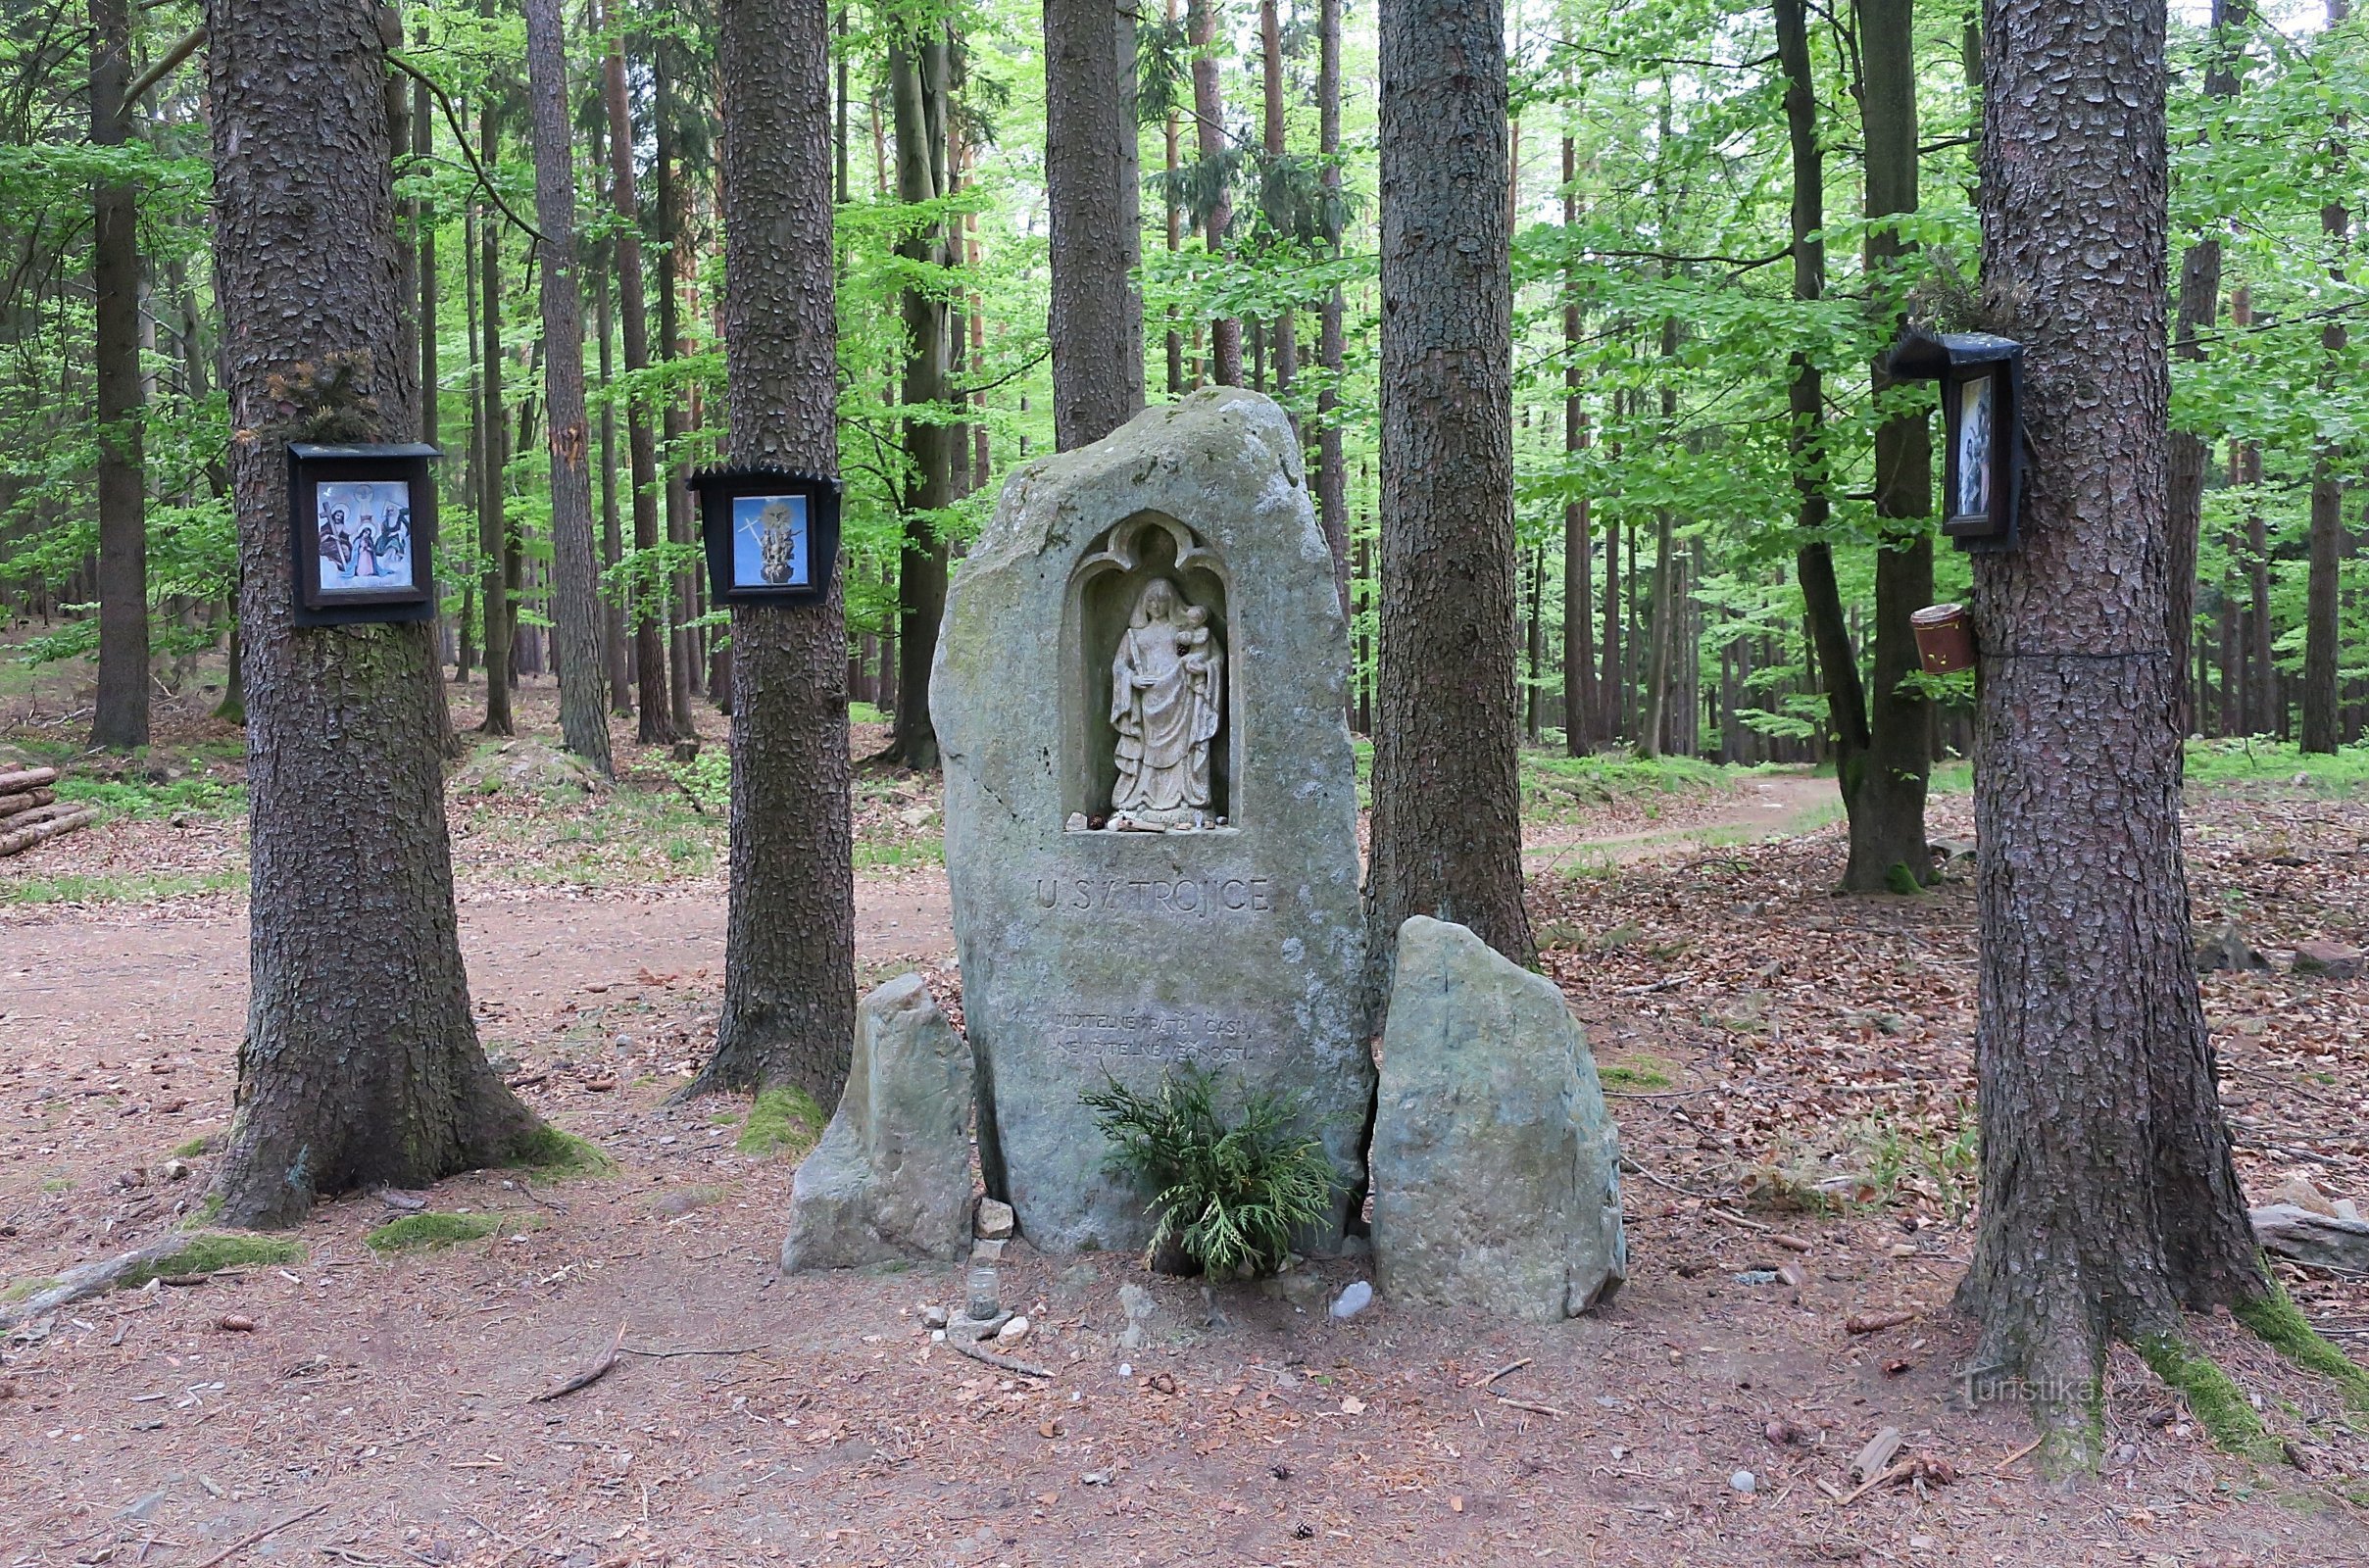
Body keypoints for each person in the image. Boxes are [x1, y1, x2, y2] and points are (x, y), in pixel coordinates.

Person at [1110, 578, 1223, 829]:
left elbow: (1213, 657)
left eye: (1162, 600)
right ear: (1143, 603)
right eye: (1150, 600)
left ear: (1172, 602)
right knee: (1147, 751)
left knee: (1183, 749)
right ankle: (1142, 798)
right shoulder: (1135, 635)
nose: (1156, 605)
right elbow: (1119, 666)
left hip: (1180, 698)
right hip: (1148, 701)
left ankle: (1185, 797)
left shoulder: (1184, 631)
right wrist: (1132, 678)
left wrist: (1203, 667)